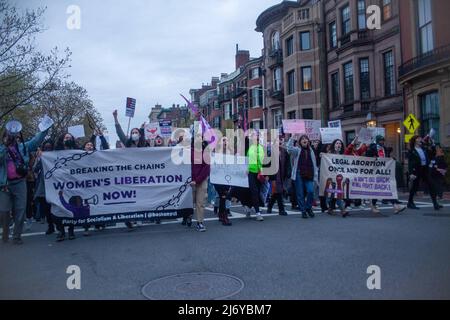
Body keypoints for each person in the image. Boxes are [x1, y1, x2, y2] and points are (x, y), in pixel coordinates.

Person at [0, 124, 51, 245]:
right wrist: (5, 146)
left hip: (20, 183)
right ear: (4, 138)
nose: (12, 139)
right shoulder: (2, 149)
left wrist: (45, 127)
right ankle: (6, 232)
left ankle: (17, 236)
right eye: (9, 136)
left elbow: (36, 140)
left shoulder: (23, 147)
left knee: (20, 210)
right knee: (4, 210)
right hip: (5, 185)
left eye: (14, 136)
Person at [113, 109, 148, 230]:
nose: (134, 133)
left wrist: (142, 128)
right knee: (129, 198)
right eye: (132, 132)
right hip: (128, 175)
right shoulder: (127, 143)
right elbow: (119, 132)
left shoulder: (143, 144)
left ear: (139, 134)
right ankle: (128, 219)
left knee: (140, 197)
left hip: (140, 175)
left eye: (136, 132)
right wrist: (115, 118)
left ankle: (137, 217)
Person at [366, 135, 406, 214]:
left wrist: (391, 160)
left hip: (384, 172)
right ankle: (373, 205)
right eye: (381, 140)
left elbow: (386, 158)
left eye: (383, 140)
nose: (383, 142)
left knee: (388, 188)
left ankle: (396, 206)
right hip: (376, 172)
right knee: (376, 190)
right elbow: (367, 158)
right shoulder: (372, 148)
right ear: (377, 141)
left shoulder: (384, 148)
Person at [81, 130, 109, 236]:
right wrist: (93, 135)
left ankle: (99, 223)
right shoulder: (80, 156)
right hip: (85, 185)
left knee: (99, 204)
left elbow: (106, 147)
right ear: (84, 148)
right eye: (87, 145)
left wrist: (101, 136)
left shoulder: (98, 154)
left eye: (91, 145)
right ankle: (86, 227)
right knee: (86, 207)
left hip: (98, 184)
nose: (90, 146)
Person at [54, 132, 80, 241]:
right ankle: (61, 230)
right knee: (58, 206)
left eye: (70, 137)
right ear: (62, 139)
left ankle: (71, 230)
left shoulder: (78, 152)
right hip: (59, 182)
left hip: (73, 183)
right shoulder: (55, 153)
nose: (68, 139)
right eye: (66, 137)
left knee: (72, 207)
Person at [287, 134, 318, 219]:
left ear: (308, 141)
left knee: (311, 191)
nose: (305, 140)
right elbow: (289, 149)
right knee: (300, 193)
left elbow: (314, 164)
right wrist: (292, 138)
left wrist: (315, 175)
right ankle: (303, 211)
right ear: (300, 142)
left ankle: (308, 208)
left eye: (306, 139)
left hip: (309, 174)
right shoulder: (297, 150)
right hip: (299, 173)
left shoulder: (311, 151)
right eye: (302, 139)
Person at [407, 135, 440, 211]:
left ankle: (435, 203)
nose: (420, 139)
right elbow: (410, 163)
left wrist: (433, 144)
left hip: (425, 169)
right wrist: (411, 173)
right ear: (415, 140)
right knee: (415, 187)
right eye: (418, 138)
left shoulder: (423, 148)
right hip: (417, 170)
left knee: (431, 185)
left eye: (420, 138)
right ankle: (410, 202)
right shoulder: (412, 151)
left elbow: (432, 154)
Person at [190, 127, 211, 232]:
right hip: (190, 181)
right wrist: (191, 180)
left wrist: (197, 180)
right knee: (190, 201)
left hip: (201, 180)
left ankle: (200, 222)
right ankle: (188, 216)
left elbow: (206, 168)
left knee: (200, 202)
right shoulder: (188, 151)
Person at [33, 140, 56, 235]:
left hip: (55, 185)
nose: (48, 149)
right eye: (46, 148)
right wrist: (39, 159)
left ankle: (58, 225)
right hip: (44, 187)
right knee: (46, 208)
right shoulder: (41, 158)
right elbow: (35, 169)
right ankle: (50, 226)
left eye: (49, 147)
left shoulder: (56, 157)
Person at [325, 139, 349, 217]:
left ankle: (331, 209)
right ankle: (342, 210)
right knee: (335, 194)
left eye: (340, 144)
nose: (338, 145)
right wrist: (322, 155)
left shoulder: (343, 155)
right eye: (337, 143)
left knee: (336, 194)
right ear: (334, 145)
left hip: (340, 178)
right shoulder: (329, 154)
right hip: (332, 177)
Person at [267, 136, 289, 216]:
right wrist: (268, 175)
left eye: (281, 141)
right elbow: (267, 164)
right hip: (274, 175)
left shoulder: (285, 151)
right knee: (278, 191)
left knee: (276, 192)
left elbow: (287, 163)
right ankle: (281, 209)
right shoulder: (270, 152)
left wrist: (287, 173)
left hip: (282, 174)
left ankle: (270, 205)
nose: (279, 143)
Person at [247, 130, 265, 221]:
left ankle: (249, 207)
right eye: (254, 136)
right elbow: (246, 159)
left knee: (257, 192)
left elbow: (264, 161)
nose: (256, 137)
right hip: (251, 172)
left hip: (260, 173)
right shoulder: (249, 147)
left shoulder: (261, 148)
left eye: (257, 136)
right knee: (254, 191)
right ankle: (258, 213)